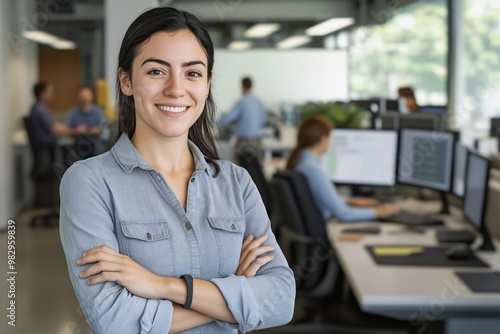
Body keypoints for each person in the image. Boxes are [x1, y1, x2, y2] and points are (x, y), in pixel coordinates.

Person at [59, 7, 294, 334]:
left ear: (207, 83)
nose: (176, 88)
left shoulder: (236, 182)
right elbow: (114, 322)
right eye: (157, 71)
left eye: (193, 73)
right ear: (126, 81)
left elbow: (282, 300)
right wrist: (236, 291)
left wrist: (163, 286)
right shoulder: (88, 182)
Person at [287, 115, 399, 222]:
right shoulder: (314, 171)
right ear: (323, 139)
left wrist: (349, 200)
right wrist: (378, 212)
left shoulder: (301, 163)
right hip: (323, 224)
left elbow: (318, 197)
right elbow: (344, 214)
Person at [218, 77, 267, 156]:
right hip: (257, 140)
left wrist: (214, 122)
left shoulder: (241, 102)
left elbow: (230, 118)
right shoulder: (259, 102)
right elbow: (263, 119)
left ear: (243, 86)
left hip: (244, 141)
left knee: (241, 165)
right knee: (254, 164)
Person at [66, 85, 106, 158]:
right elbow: (66, 131)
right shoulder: (72, 113)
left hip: (96, 145)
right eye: (82, 95)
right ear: (78, 96)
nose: (85, 98)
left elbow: (105, 128)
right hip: (78, 145)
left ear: (92, 96)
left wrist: (97, 129)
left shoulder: (99, 112)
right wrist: (76, 131)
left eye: (87, 95)